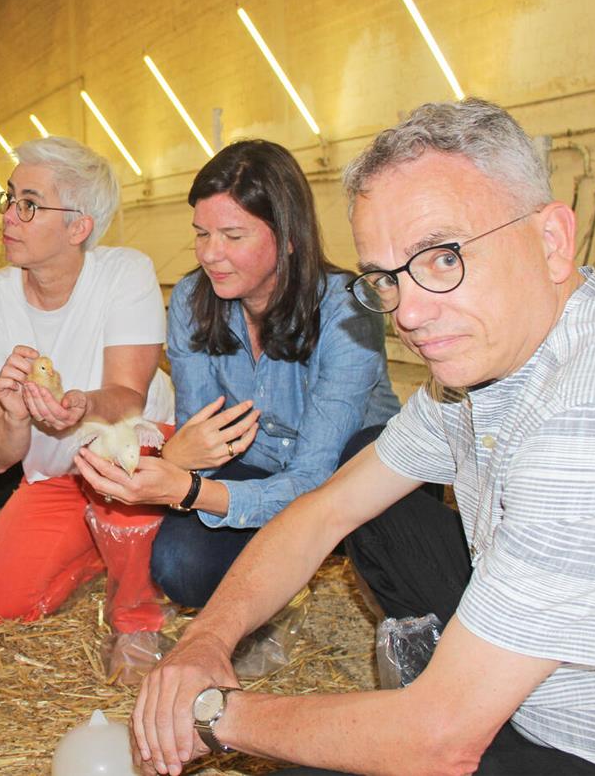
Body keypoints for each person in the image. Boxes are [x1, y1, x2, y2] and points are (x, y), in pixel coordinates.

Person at [131, 98, 595, 776]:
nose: (409, 312)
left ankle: (457, 682)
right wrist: (206, 638)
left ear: (553, 240)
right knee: (370, 476)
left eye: (442, 257)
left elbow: (442, 739)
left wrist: (211, 713)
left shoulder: (588, 409)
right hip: (518, 695)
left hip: (583, 745)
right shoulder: (472, 374)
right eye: (385, 277)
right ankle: (460, 664)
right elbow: (327, 505)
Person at [76, 140, 400, 609]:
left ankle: (318, 558)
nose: (210, 254)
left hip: (349, 472)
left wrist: (191, 489)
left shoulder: (344, 307)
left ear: (287, 237)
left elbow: (315, 476)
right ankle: (274, 574)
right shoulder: (192, 299)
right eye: (201, 233)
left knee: (369, 485)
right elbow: (202, 428)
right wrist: (181, 458)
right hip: (258, 460)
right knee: (179, 567)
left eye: (232, 235)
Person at [0, 136, 175, 683]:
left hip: (136, 455)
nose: (9, 215)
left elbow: (127, 396)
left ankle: (137, 617)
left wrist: (79, 407)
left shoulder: (125, 274)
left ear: (78, 227)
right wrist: (13, 417)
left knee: (116, 442)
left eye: (29, 204)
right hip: (57, 475)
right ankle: (108, 543)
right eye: (8, 198)